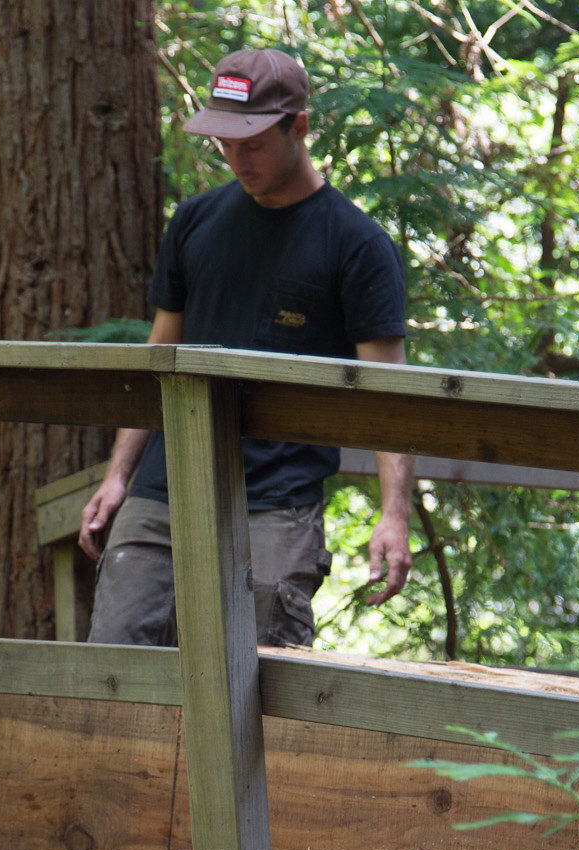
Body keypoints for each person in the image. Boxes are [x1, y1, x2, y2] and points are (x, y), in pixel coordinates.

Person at [78, 49, 414, 648]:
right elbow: (158, 358)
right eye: (225, 142)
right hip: (164, 489)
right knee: (116, 671)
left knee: (263, 694)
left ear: (299, 126)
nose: (237, 158)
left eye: (253, 142)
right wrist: (117, 475)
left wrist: (394, 515)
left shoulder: (357, 246)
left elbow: (390, 395)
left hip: (276, 505)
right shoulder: (194, 222)